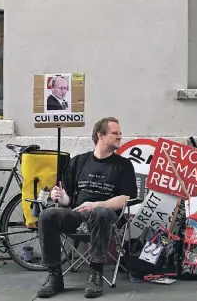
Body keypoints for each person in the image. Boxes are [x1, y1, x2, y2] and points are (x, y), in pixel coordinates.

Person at [36, 117, 137, 298]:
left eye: (120, 133)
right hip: (77, 216)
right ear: (100, 135)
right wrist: (59, 196)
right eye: (115, 133)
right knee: (48, 215)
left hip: (106, 218)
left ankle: (96, 273)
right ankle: (54, 276)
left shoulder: (123, 165)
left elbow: (125, 198)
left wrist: (97, 204)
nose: (120, 137)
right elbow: (68, 200)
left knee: (101, 212)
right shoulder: (78, 162)